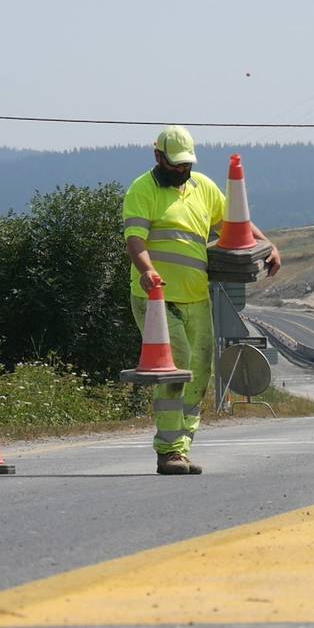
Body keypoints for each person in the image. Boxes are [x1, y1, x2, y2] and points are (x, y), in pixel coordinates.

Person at [123, 126, 280, 475]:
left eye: (186, 164)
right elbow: (135, 239)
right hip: (155, 299)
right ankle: (168, 451)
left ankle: (182, 446)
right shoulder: (142, 190)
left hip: (196, 298)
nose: (181, 169)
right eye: (175, 163)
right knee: (174, 369)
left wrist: (268, 245)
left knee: (198, 374)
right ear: (158, 157)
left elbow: (235, 223)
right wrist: (147, 271)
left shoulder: (203, 188)